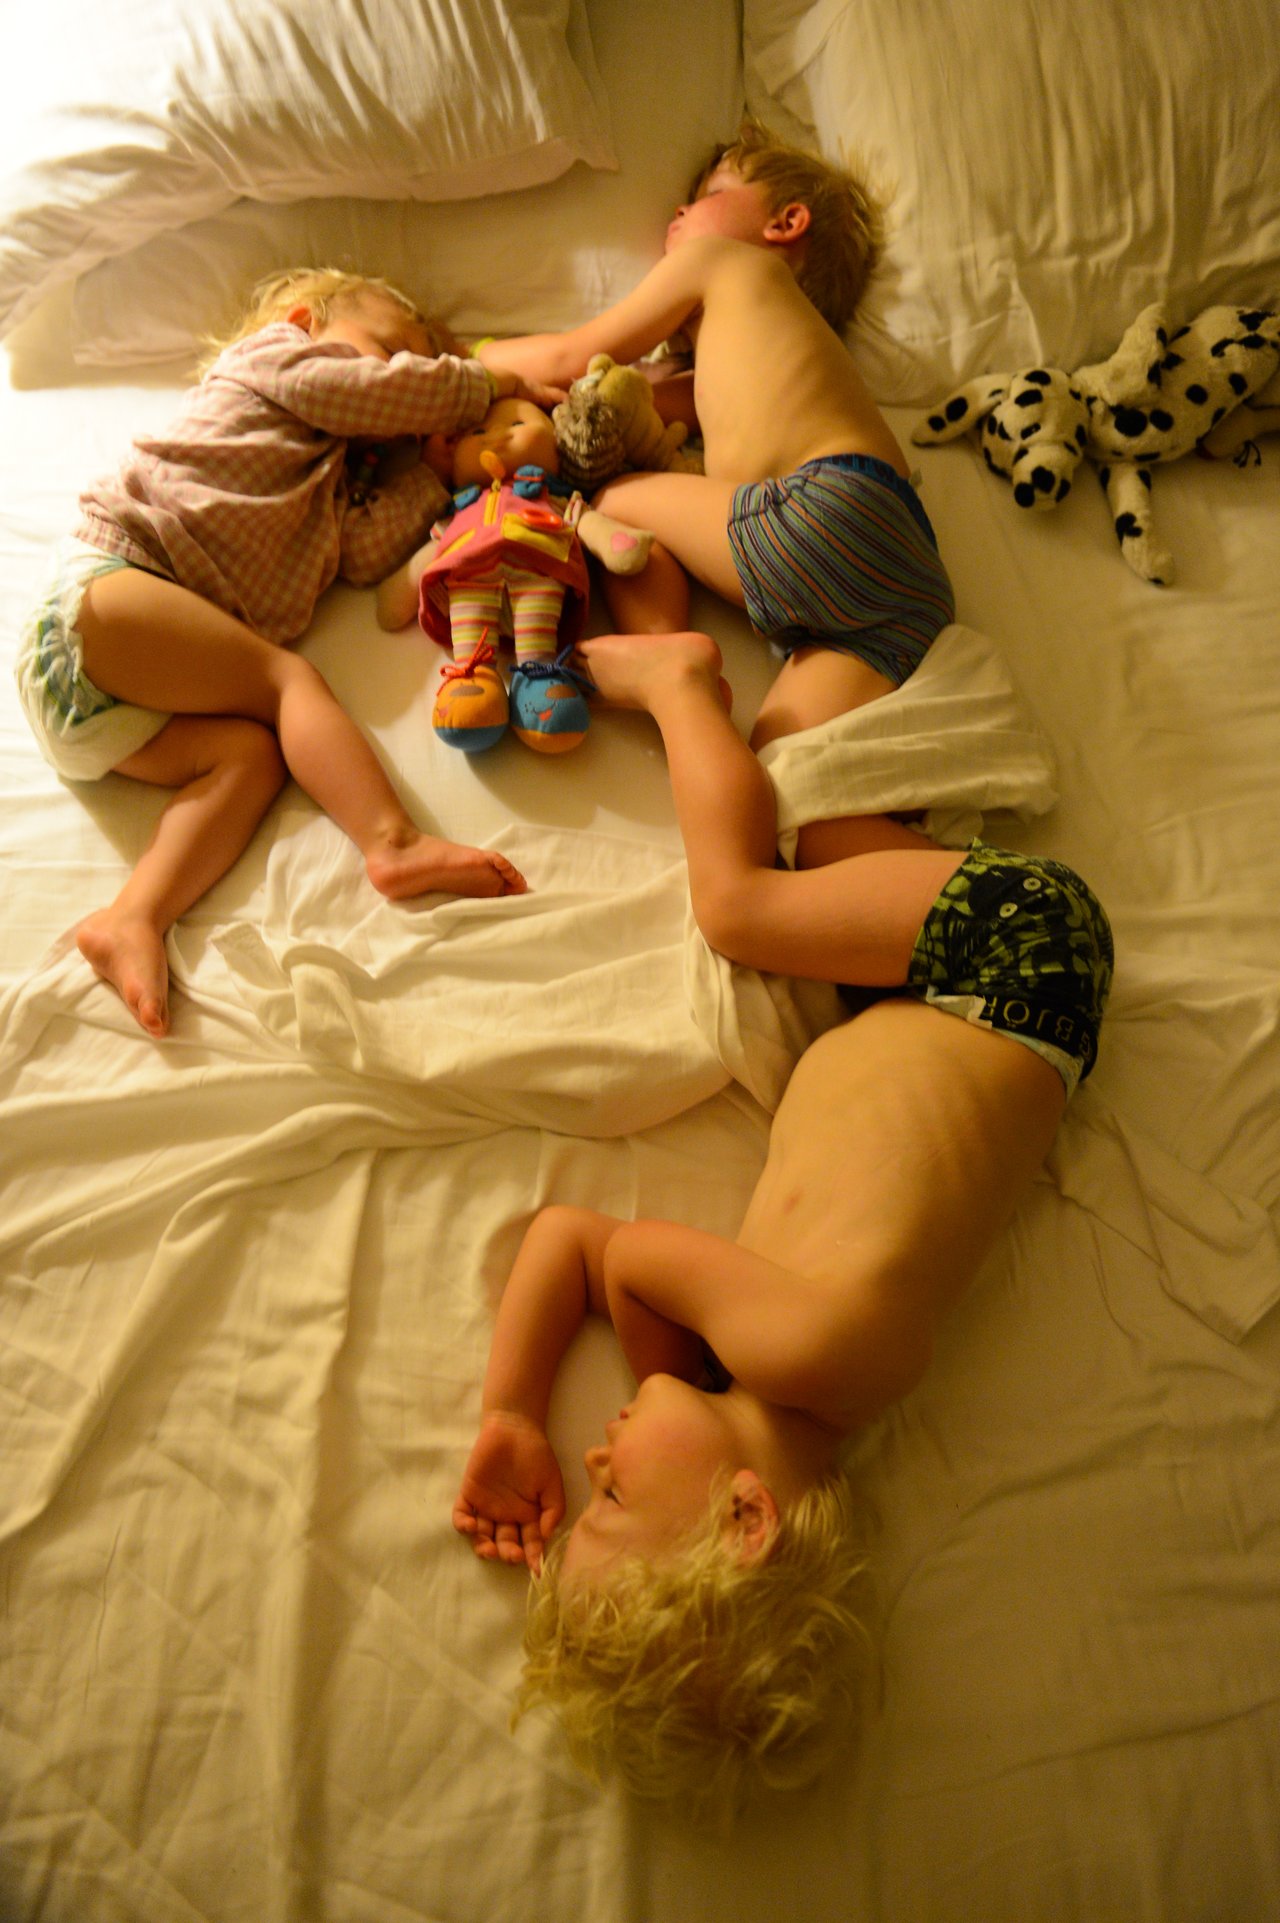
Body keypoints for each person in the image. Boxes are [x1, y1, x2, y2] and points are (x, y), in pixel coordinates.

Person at [452, 627, 1114, 1816]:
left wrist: (509, 1413)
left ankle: (830, 681)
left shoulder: (782, 1376)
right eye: (613, 1495)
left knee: (798, 760)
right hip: (1009, 966)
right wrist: (653, 1368)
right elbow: (614, 1253)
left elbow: (568, 1244)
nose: (591, 1453)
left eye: (588, 1484)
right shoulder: (809, 1352)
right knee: (738, 905)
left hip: (920, 996)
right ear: (746, 1515)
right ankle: (673, 679)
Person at [13, 267, 558, 1038]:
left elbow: (362, 555)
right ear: (306, 319)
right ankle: (390, 841)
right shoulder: (272, 364)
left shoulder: (332, 480)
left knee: (252, 759)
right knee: (286, 681)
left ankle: (132, 916)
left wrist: (437, 472)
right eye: (393, 349)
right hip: (104, 592)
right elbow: (378, 393)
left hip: (103, 709)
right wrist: (481, 382)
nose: (408, 379)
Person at [475, 119, 955, 754]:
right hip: (908, 580)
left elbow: (571, 357)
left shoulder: (723, 261)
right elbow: (607, 394)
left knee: (616, 500)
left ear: (785, 224)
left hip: (827, 509)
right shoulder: (756, 357)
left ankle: (660, 657)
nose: (678, 208)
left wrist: (460, 355)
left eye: (707, 194)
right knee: (793, 787)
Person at [375, 395, 651, 753]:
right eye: (479, 432)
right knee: (467, 607)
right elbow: (436, 548)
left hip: (539, 569)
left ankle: (539, 679)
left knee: (539, 613)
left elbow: (583, 519)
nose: (496, 437)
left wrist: (614, 542)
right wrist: (402, 588)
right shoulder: (462, 507)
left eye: (518, 425)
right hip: (469, 574)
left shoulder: (550, 497)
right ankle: (472, 677)